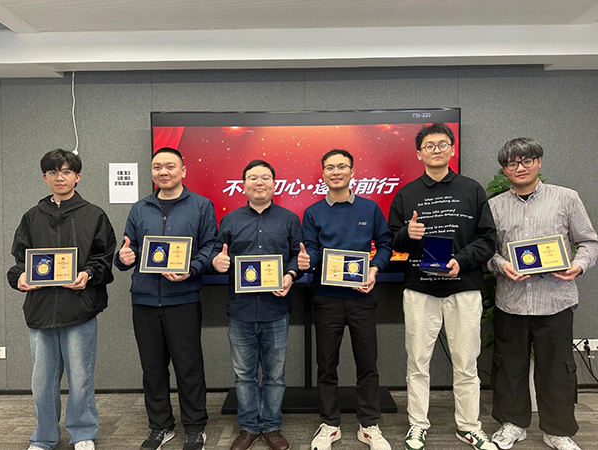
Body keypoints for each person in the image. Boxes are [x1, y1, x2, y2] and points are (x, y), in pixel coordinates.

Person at [388, 123, 497, 450]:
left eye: (442, 144)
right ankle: (417, 425)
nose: (436, 150)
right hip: (420, 290)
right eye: (429, 146)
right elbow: (393, 242)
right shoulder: (406, 193)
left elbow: (488, 239)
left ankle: (469, 426)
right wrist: (407, 234)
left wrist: (461, 260)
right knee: (417, 363)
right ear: (418, 153)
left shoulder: (472, 189)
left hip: (463, 288)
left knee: (466, 363)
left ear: (452, 149)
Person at [487, 138, 598, 450]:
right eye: (512, 163)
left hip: (556, 301)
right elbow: (487, 251)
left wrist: (578, 265)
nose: (520, 168)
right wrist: (501, 264)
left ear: (539, 161)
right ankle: (513, 424)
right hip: (511, 302)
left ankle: (557, 430)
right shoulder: (495, 206)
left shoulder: (566, 198)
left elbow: (589, 241)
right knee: (509, 367)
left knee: (557, 370)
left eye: (527, 160)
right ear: (504, 169)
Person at [7, 149, 116, 450]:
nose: (60, 177)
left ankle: (83, 434)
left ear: (77, 177)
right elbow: (20, 261)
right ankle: (44, 436)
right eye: (53, 172)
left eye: (66, 171)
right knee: (42, 382)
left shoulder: (94, 215)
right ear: (45, 177)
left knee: (81, 379)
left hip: (79, 308)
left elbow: (104, 259)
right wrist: (19, 277)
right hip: (40, 311)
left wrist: (88, 274)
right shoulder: (32, 217)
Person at [114, 147, 217, 450]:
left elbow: (210, 246)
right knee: (152, 369)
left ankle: (195, 427)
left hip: (182, 299)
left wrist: (192, 269)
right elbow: (128, 250)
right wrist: (123, 258)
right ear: (152, 172)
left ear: (183, 171)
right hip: (145, 300)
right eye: (157, 166)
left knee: (189, 367)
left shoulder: (201, 205)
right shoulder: (140, 208)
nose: (163, 171)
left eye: (170, 166)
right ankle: (160, 426)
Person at [299, 149, 393, 450]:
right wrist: (307, 261)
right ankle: (330, 424)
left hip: (362, 298)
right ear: (323, 173)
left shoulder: (370, 208)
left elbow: (386, 244)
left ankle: (369, 425)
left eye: (342, 167)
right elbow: (313, 250)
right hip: (327, 298)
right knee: (327, 365)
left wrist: (375, 268)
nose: (336, 172)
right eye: (330, 167)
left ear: (353, 172)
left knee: (368, 363)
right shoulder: (313, 212)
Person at [211, 160, 302, 450]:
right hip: (241, 310)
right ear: (244, 184)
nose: (259, 182)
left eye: (265, 177)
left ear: (274, 183)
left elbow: (297, 256)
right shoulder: (230, 220)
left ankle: (272, 426)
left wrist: (291, 274)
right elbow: (217, 254)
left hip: (276, 309)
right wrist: (216, 261)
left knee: (275, 375)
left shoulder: (289, 219)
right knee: (244, 375)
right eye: (253, 177)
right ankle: (249, 427)